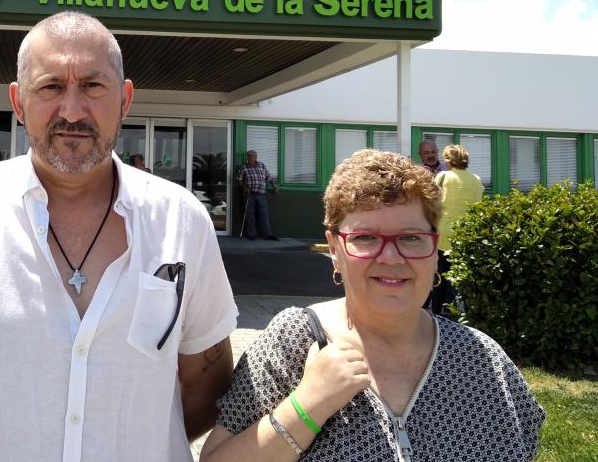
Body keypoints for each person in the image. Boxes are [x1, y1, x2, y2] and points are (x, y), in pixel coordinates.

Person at [0, 11, 238, 461]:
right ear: (19, 103)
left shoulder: (184, 222)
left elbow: (208, 388)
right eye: (51, 87)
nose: (73, 111)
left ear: (125, 98)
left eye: (93, 86)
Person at [201, 149, 543, 462]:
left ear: (434, 247)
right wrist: (307, 407)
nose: (391, 257)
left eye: (411, 237)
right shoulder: (295, 342)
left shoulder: (483, 361)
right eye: (365, 238)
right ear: (334, 247)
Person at [428, 144, 485, 315]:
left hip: (443, 234)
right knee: (462, 277)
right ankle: (464, 314)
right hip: (466, 233)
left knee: (440, 277)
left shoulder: (444, 176)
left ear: (448, 160)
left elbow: (431, 201)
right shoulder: (476, 179)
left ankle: (436, 315)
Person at [238, 149, 278, 240]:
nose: (249, 158)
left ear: (256, 157)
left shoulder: (261, 165)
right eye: (248, 156)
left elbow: (269, 177)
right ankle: (252, 234)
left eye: (251, 156)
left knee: (263, 214)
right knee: (250, 215)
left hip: (261, 194)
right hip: (250, 194)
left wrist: (274, 187)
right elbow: (239, 180)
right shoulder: (244, 167)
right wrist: (245, 188)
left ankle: (267, 234)